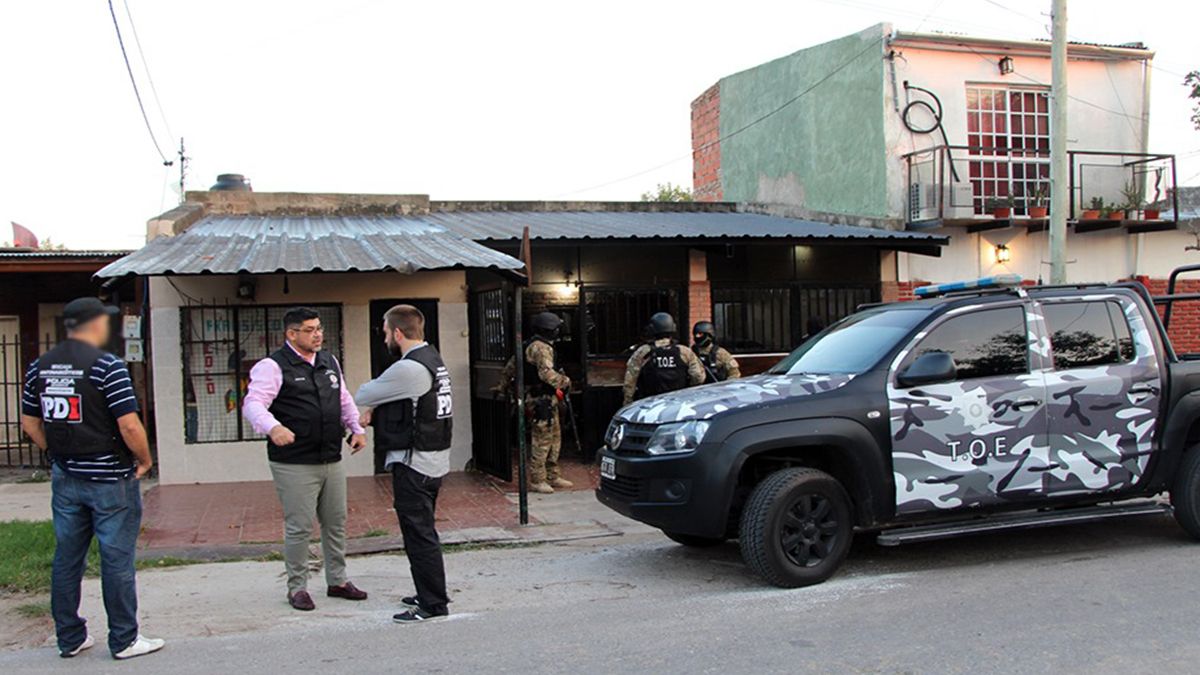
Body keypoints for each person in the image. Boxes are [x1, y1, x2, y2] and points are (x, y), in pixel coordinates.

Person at [20, 297, 164, 660]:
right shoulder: (107, 366)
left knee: (67, 558)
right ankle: (125, 640)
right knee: (116, 560)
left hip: (66, 476)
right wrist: (145, 461)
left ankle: (69, 638)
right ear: (95, 325)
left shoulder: (40, 366)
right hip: (110, 478)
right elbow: (129, 425)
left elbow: (30, 423)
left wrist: (55, 453)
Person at [242, 307, 369, 612]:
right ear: (291, 334)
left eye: (319, 328)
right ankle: (297, 587)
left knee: (336, 522)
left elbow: (343, 399)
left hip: (331, 457)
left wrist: (355, 428)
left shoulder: (329, 361)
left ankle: (337, 580)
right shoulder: (272, 366)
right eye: (310, 329)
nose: (318, 334)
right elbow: (253, 403)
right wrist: (273, 427)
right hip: (295, 462)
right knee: (299, 526)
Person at [354, 304, 453, 624]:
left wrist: (369, 406)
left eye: (385, 332)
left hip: (415, 464)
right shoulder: (432, 359)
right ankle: (428, 590)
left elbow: (365, 391)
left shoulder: (408, 368)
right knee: (422, 532)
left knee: (419, 534)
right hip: (433, 460)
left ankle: (432, 603)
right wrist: (375, 408)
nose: (384, 338)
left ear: (397, 333)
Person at [498, 312, 573, 495]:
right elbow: (546, 375)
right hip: (541, 400)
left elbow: (510, 368)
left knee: (554, 437)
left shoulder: (528, 345)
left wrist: (502, 386)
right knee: (542, 440)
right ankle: (538, 479)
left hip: (546, 399)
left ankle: (552, 475)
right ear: (549, 330)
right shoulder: (541, 348)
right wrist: (566, 381)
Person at [622, 312, 704, 405]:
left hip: (650, 404)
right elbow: (698, 377)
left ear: (652, 329)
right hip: (679, 403)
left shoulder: (643, 352)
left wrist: (628, 403)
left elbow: (629, 382)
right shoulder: (684, 351)